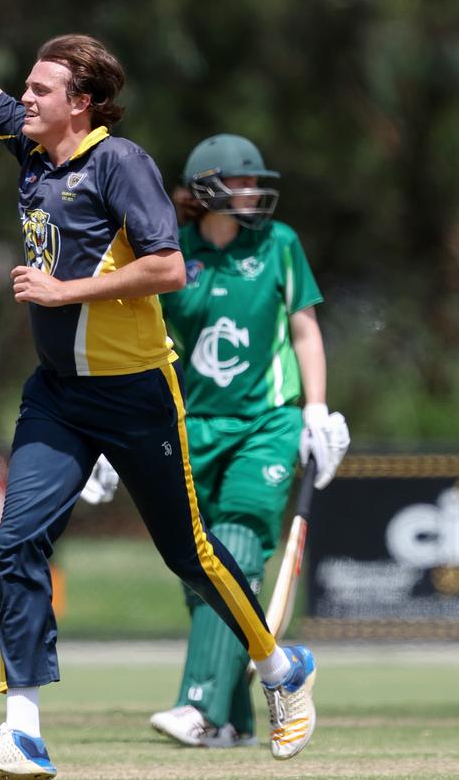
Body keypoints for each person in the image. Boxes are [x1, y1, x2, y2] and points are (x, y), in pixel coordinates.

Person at [0, 0, 321, 780]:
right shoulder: (34, 150)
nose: (24, 97)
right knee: (16, 543)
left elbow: (168, 266)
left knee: (188, 550)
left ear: (80, 103)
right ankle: (23, 731)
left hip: (136, 394)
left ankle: (278, 664)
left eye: (41, 88)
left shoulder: (118, 162)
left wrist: (61, 291)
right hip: (58, 396)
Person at [144, 133, 349, 748]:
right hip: (191, 429)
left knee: (234, 542)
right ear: (206, 188)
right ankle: (233, 719)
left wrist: (315, 410)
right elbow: (148, 347)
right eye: (242, 182)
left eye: (257, 182)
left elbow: (304, 331)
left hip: (267, 423)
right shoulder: (172, 255)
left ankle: (199, 706)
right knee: (197, 574)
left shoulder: (280, 245)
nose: (255, 193)